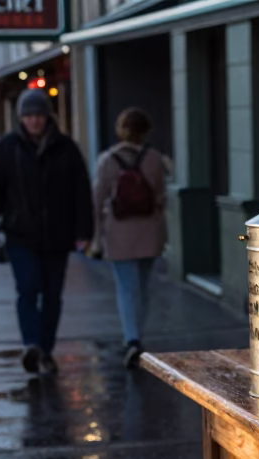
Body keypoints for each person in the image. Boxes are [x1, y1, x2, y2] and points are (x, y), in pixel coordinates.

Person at [0, 89, 94, 376]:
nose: (34, 121)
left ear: (47, 116)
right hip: (20, 234)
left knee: (52, 294)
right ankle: (31, 344)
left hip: (58, 234)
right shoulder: (7, 149)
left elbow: (81, 192)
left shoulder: (66, 148)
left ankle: (46, 348)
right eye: (28, 116)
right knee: (28, 289)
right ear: (21, 118)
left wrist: (84, 231)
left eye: (38, 115)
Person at [93, 107, 167, 368]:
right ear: (146, 131)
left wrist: (95, 237)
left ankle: (132, 338)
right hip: (149, 232)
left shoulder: (107, 160)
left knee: (126, 287)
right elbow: (160, 198)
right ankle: (138, 334)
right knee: (143, 286)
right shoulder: (156, 159)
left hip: (118, 233)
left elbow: (98, 198)